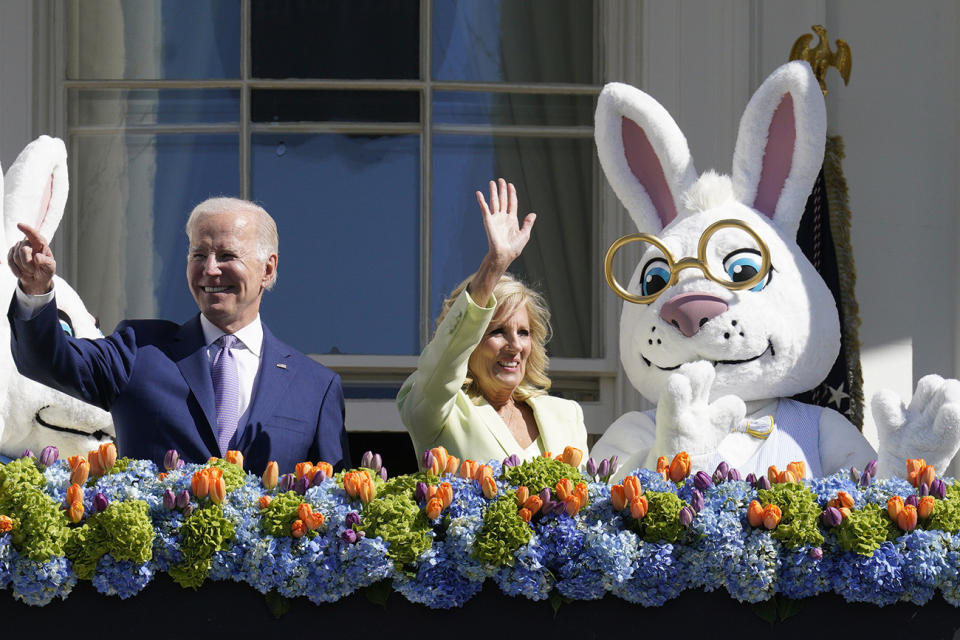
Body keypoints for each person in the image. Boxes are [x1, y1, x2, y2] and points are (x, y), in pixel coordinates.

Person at [7, 197, 349, 474]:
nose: (210, 269)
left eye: (227, 255)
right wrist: (36, 290)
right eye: (199, 254)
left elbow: (336, 510)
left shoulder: (315, 388)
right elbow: (46, 360)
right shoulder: (140, 349)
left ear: (268, 269)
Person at [397, 179, 588, 464]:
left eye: (523, 333)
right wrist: (495, 265)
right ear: (470, 341)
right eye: (498, 331)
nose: (514, 345)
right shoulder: (439, 411)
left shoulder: (566, 414)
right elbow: (445, 355)